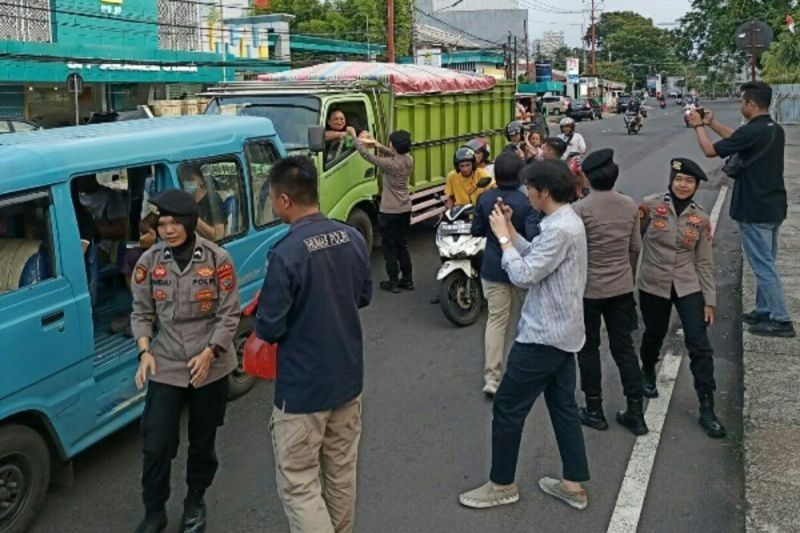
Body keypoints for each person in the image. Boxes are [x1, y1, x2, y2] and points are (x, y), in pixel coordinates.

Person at [459, 159, 590, 511]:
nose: (525, 193)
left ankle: (502, 484)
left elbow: (524, 274)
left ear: (544, 191)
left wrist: (502, 238)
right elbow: (538, 256)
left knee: (507, 408)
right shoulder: (563, 221)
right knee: (563, 407)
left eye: (529, 189)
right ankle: (573, 483)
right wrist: (513, 231)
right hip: (564, 332)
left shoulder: (560, 228)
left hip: (543, 336)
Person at [255, 156, 372, 533]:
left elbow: (270, 328)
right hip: (347, 378)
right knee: (340, 474)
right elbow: (363, 296)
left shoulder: (284, 253)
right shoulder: (351, 237)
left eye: (273, 198)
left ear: (285, 200)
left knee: (300, 483)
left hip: (303, 390)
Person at [130, 189, 240, 533]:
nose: (169, 229)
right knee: (156, 442)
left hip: (212, 363)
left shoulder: (217, 258)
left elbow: (229, 314)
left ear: (190, 223)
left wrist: (211, 352)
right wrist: (144, 351)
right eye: (163, 223)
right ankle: (154, 510)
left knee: (202, 439)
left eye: (176, 222)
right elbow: (142, 311)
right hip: (167, 361)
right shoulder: (149, 261)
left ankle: (195, 501)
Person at [689, 81, 794, 338]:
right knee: (765, 260)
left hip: (754, 208)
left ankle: (781, 320)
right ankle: (764, 308)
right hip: (773, 206)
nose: (740, 105)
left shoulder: (753, 131)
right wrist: (712, 123)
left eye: (742, 101)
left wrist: (699, 126)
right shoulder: (773, 129)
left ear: (751, 104)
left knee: (762, 264)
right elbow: (737, 138)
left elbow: (710, 150)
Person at [638, 158, 726, 438]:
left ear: (696, 186)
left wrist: (709, 300)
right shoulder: (650, 206)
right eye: (679, 179)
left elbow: (704, 261)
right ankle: (648, 371)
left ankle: (707, 406)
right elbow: (634, 242)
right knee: (654, 333)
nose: (683, 185)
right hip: (654, 282)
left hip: (688, 284)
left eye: (689, 181)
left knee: (699, 344)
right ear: (671, 180)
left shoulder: (700, 218)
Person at [571, 149, 647, 436]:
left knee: (588, 349)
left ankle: (594, 409)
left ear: (587, 177)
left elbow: (575, 254)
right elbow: (635, 248)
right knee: (624, 349)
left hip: (589, 290)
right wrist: (626, 274)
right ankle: (636, 413)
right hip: (622, 289)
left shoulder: (580, 210)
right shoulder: (629, 205)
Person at [471, 153, 542, 397]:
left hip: (493, 267)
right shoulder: (527, 202)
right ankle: (529, 372)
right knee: (529, 319)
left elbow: (476, 229)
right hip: (523, 267)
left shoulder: (484, 198)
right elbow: (533, 238)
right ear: (521, 175)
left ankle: (492, 378)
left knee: (496, 321)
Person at [353, 129, 415, 293]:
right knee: (402, 244)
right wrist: (377, 144)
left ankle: (393, 282)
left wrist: (354, 137)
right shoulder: (408, 159)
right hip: (405, 208)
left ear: (393, 145)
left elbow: (367, 156)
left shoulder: (389, 164)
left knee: (389, 246)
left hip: (389, 210)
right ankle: (408, 280)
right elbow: (393, 153)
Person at [180, 167, 226, 242]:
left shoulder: (213, 200)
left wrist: (193, 217)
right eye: (184, 180)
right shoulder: (184, 198)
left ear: (201, 181)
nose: (186, 182)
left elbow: (217, 236)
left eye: (190, 179)